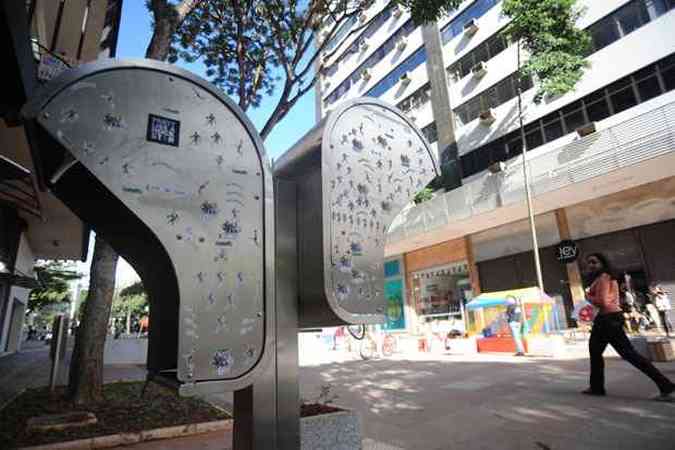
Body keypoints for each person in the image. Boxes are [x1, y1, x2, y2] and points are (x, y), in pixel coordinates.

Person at [582, 253, 674, 399]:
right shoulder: (605, 278)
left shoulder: (604, 278)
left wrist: (588, 297)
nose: (591, 265)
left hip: (608, 319)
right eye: (589, 263)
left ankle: (666, 385)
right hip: (607, 319)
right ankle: (596, 387)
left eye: (594, 262)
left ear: (602, 263)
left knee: (628, 354)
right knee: (597, 351)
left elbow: (603, 302)